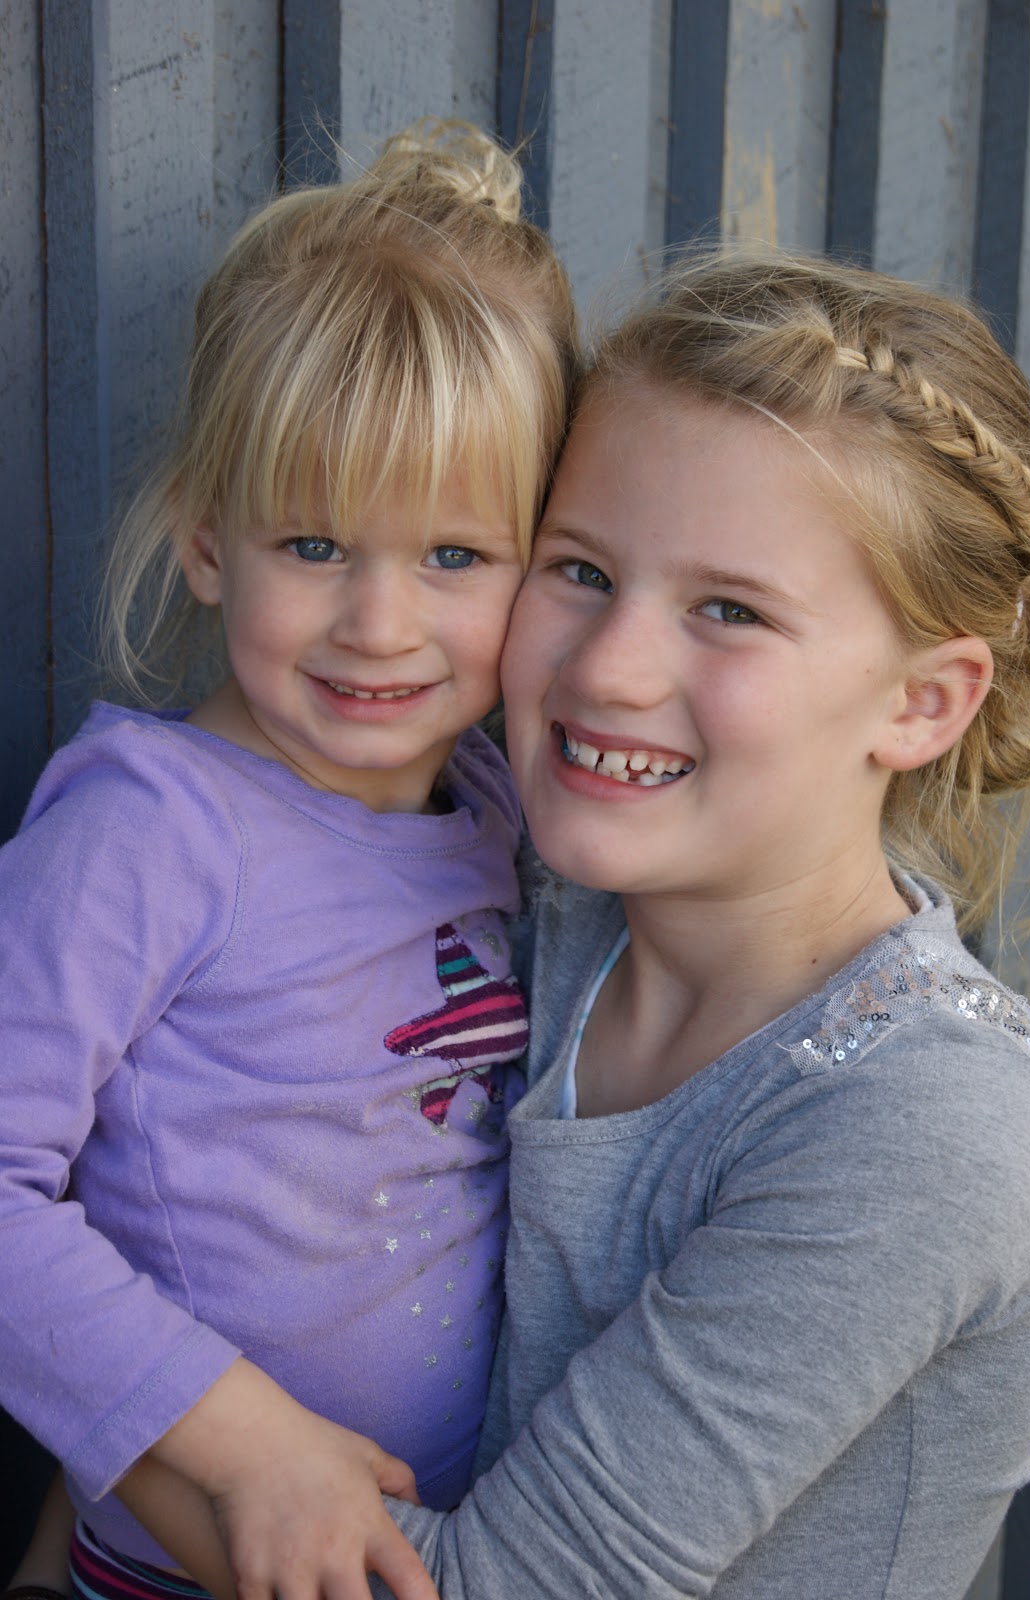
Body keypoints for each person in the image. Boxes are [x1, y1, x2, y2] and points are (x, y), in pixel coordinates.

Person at [32, 254, 1030, 1600]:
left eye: (730, 610)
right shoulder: (534, 899)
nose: (607, 669)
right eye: (580, 569)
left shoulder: (925, 1134)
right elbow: (198, 1195)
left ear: (921, 703)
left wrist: (170, 1447)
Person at [0, 119, 577, 1600]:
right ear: (207, 543)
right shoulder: (149, 833)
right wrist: (242, 1439)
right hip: (200, 1560)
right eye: (314, 546)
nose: (379, 626)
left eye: (454, 556)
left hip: (447, 1545)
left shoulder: (499, 809)